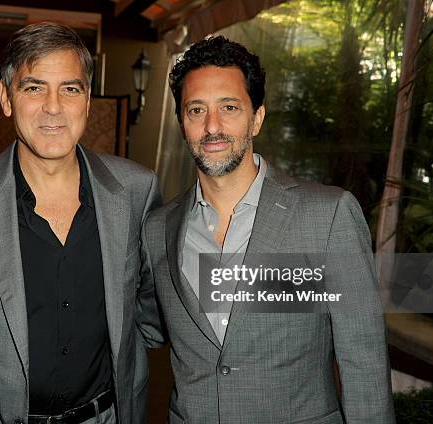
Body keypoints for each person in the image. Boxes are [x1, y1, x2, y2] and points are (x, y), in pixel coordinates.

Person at [0, 22, 163, 424]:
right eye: (34, 87)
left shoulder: (136, 191)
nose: (53, 106)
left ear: (87, 100)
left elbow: (151, 310)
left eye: (70, 88)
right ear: (6, 98)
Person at [140, 36, 395, 423]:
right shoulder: (158, 228)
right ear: (181, 122)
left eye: (229, 107)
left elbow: (364, 362)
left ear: (257, 117)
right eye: (196, 110)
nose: (213, 126)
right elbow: (143, 327)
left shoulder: (327, 216)